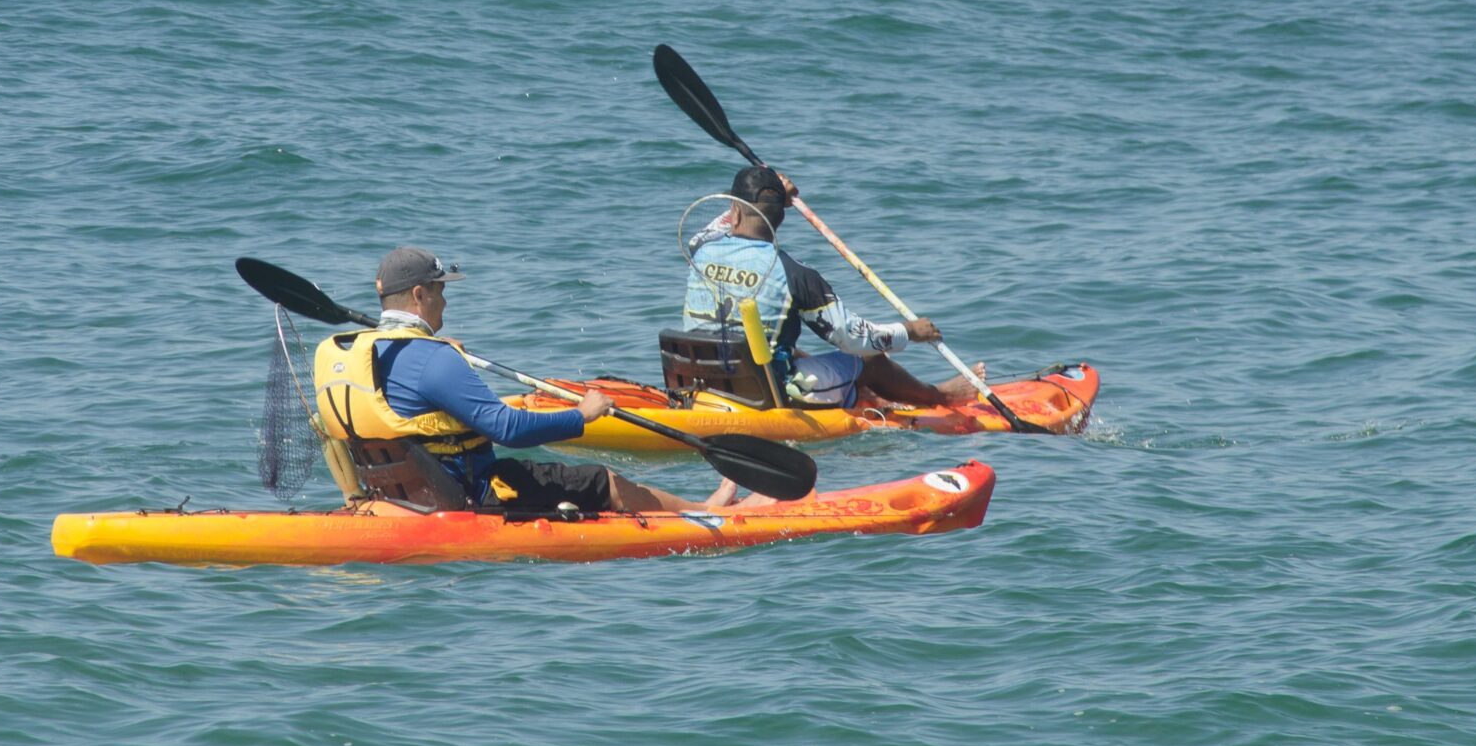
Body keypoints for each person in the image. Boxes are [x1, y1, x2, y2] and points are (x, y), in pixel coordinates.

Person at [315, 246, 740, 514]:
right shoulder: (434, 360)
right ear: (419, 296)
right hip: (469, 495)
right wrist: (582, 415)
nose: (445, 299)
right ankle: (703, 510)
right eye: (440, 290)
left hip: (394, 496)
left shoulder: (359, 355)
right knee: (601, 480)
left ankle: (356, 503)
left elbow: (332, 428)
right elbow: (508, 429)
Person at [684, 166, 982, 410]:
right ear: (780, 217)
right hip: (767, 396)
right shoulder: (795, 274)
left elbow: (720, 225)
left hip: (701, 381)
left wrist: (769, 194)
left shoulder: (699, 249)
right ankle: (940, 396)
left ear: (735, 212)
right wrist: (910, 331)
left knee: (791, 350)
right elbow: (853, 339)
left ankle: (864, 394)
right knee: (870, 360)